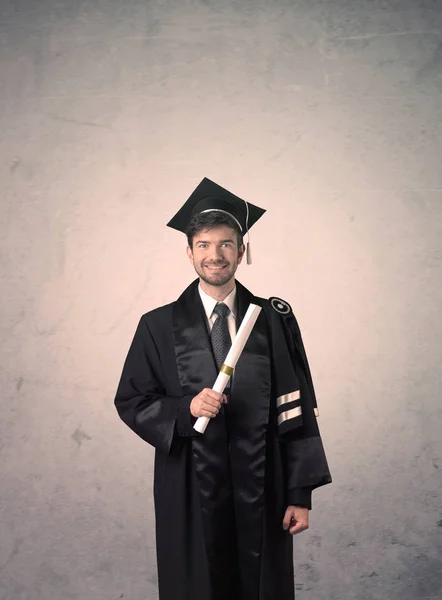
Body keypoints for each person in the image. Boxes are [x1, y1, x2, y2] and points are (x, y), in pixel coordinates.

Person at [114, 177, 332, 600]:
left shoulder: (272, 319)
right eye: (204, 245)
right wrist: (184, 408)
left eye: (226, 244)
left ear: (242, 251)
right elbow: (132, 400)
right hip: (189, 488)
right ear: (189, 251)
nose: (215, 255)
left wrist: (299, 494)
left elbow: (296, 408)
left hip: (263, 483)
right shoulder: (156, 326)